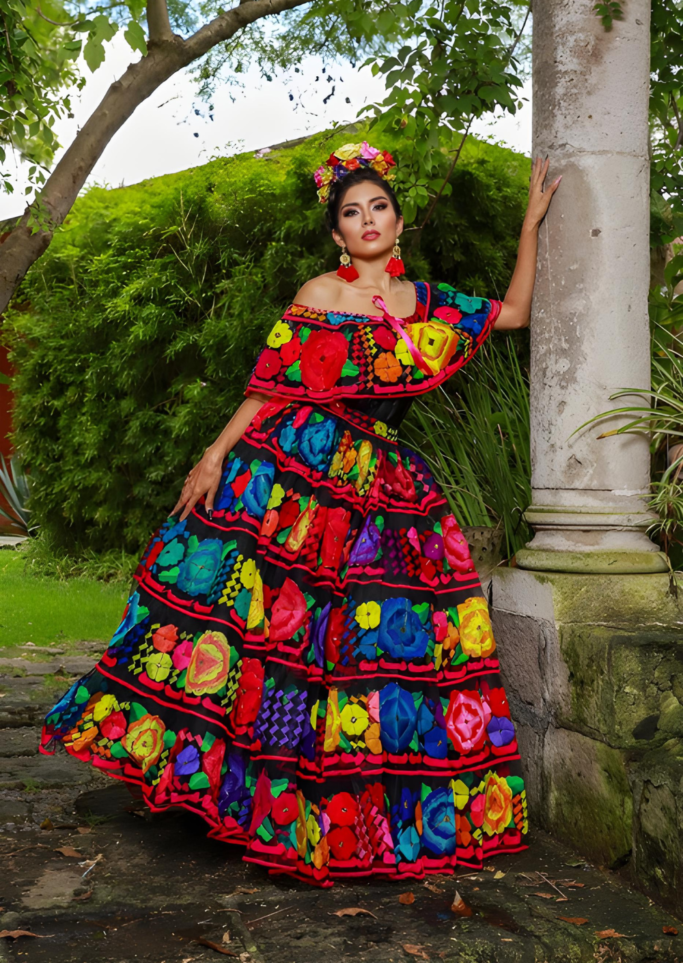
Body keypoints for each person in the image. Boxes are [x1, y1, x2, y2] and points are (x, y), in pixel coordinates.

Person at [40, 143, 560, 886]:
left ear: (398, 219)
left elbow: (511, 312)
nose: (366, 220)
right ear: (337, 235)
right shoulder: (319, 294)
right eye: (351, 213)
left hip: (383, 488)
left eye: (377, 206)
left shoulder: (429, 304)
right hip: (296, 475)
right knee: (257, 628)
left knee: (375, 646)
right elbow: (269, 389)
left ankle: (365, 819)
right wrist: (215, 454)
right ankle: (243, 796)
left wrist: (530, 226)